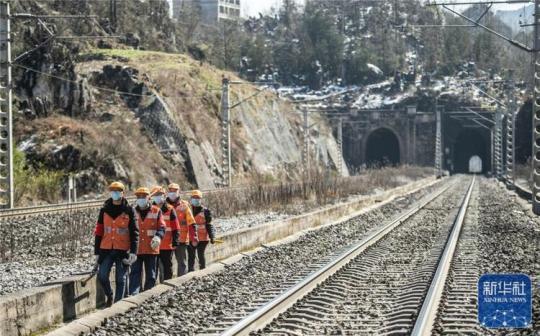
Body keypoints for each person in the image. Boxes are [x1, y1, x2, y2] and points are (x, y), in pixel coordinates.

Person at [94, 181, 139, 307]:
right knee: (102, 275)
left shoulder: (129, 211)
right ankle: (110, 294)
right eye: (113, 191)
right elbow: (99, 231)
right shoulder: (104, 210)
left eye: (117, 191)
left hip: (122, 250)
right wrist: (97, 252)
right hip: (106, 249)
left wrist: (133, 252)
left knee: (121, 279)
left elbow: (134, 232)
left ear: (122, 193)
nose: (115, 193)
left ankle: (117, 306)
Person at [129, 187, 165, 295]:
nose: (141, 198)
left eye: (143, 196)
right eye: (138, 196)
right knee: (135, 274)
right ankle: (134, 296)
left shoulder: (156, 211)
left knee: (151, 275)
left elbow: (162, 227)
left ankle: (148, 296)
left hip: (151, 248)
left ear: (148, 198)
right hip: (137, 249)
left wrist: (158, 237)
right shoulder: (132, 212)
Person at [166, 183, 197, 276]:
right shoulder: (164, 206)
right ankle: (166, 283)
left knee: (182, 263)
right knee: (166, 264)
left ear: (179, 192)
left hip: (181, 240)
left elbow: (191, 222)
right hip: (166, 240)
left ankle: (181, 283)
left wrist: (194, 237)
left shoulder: (184, 206)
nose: (172, 193)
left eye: (175, 191)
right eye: (170, 191)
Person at [150, 186, 180, 281]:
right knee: (154, 268)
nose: (158, 197)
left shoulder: (170, 209)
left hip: (167, 245)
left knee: (167, 267)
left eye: (159, 195)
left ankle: (168, 286)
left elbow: (176, 227)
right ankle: (153, 288)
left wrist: (175, 241)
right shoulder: (150, 209)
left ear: (164, 195)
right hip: (153, 245)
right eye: (155, 195)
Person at [188, 190, 215, 272]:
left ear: (201, 199)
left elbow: (209, 224)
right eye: (194, 197)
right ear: (191, 198)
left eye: (198, 198)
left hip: (203, 238)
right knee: (191, 256)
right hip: (191, 237)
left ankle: (202, 271)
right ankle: (190, 271)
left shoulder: (206, 211)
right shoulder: (187, 210)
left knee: (201, 254)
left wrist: (212, 236)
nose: (196, 199)